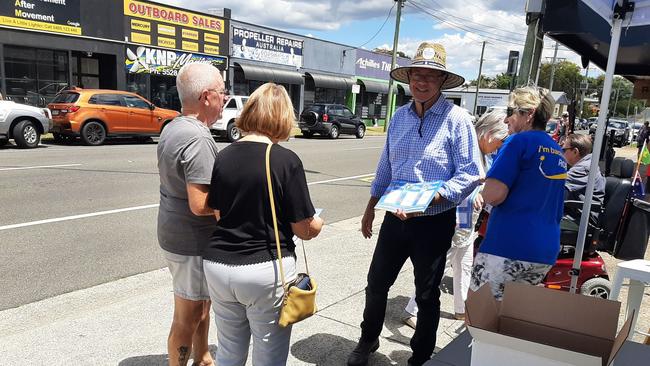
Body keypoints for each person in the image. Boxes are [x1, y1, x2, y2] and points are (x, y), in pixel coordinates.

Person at [348, 42, 482, 366]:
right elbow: (386, 166)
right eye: (416, 76)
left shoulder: (457, 119)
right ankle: (367, 341)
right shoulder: (399, 117)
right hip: (395, 218)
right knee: (376, 283)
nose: (422, 83)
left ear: (441, 81)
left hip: (434, 222)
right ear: (408, 79)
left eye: (430, 77)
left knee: (427, 293)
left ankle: (420, 356)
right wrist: (370, 207)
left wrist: (428, 200)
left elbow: (470, 174)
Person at [203, 83, 324, 366]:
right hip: (264, 269)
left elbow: (218, 212)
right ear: (282, 117)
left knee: (230, 350)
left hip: (218, 266)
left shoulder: (224, 155)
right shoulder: (285, 160)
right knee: (269, 354)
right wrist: (319, 223)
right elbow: (303, 228)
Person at [403, 109, 509, 328]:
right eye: (500, 140)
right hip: (453, 220)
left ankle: (462, 309)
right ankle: (412, 309)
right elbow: (455, 182)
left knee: (464, 265)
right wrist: (476, 193)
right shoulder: (468, 150)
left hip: (467, 223)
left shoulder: (483, 153)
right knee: (437, 269)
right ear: (488, 134)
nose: (500, 145)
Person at [156, 62, 228, 366]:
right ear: (207, 96)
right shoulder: (198, 139)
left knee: (202, 305)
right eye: (223, 92)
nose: (226, 98)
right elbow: (200, 204)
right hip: (191, 242)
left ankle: (203, 357)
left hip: (176, 232)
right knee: (188, 316)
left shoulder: (174, 126)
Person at [470, 86, 567, 301]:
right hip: (544, 251)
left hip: (508, 246)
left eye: (510, 112)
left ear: (529, 114)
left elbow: (494, 195)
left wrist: (483, 187)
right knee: (510, 319)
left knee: (479, 314)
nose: (506, 120)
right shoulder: (556, 149)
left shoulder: (518, 142)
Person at [562, 133, 606, 220]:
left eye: (564, 150)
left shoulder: (584, 168)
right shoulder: (587, 164)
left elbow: (556, 183)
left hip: (583, 219)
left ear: (575, 152)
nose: (562, 153)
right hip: (575, 212)